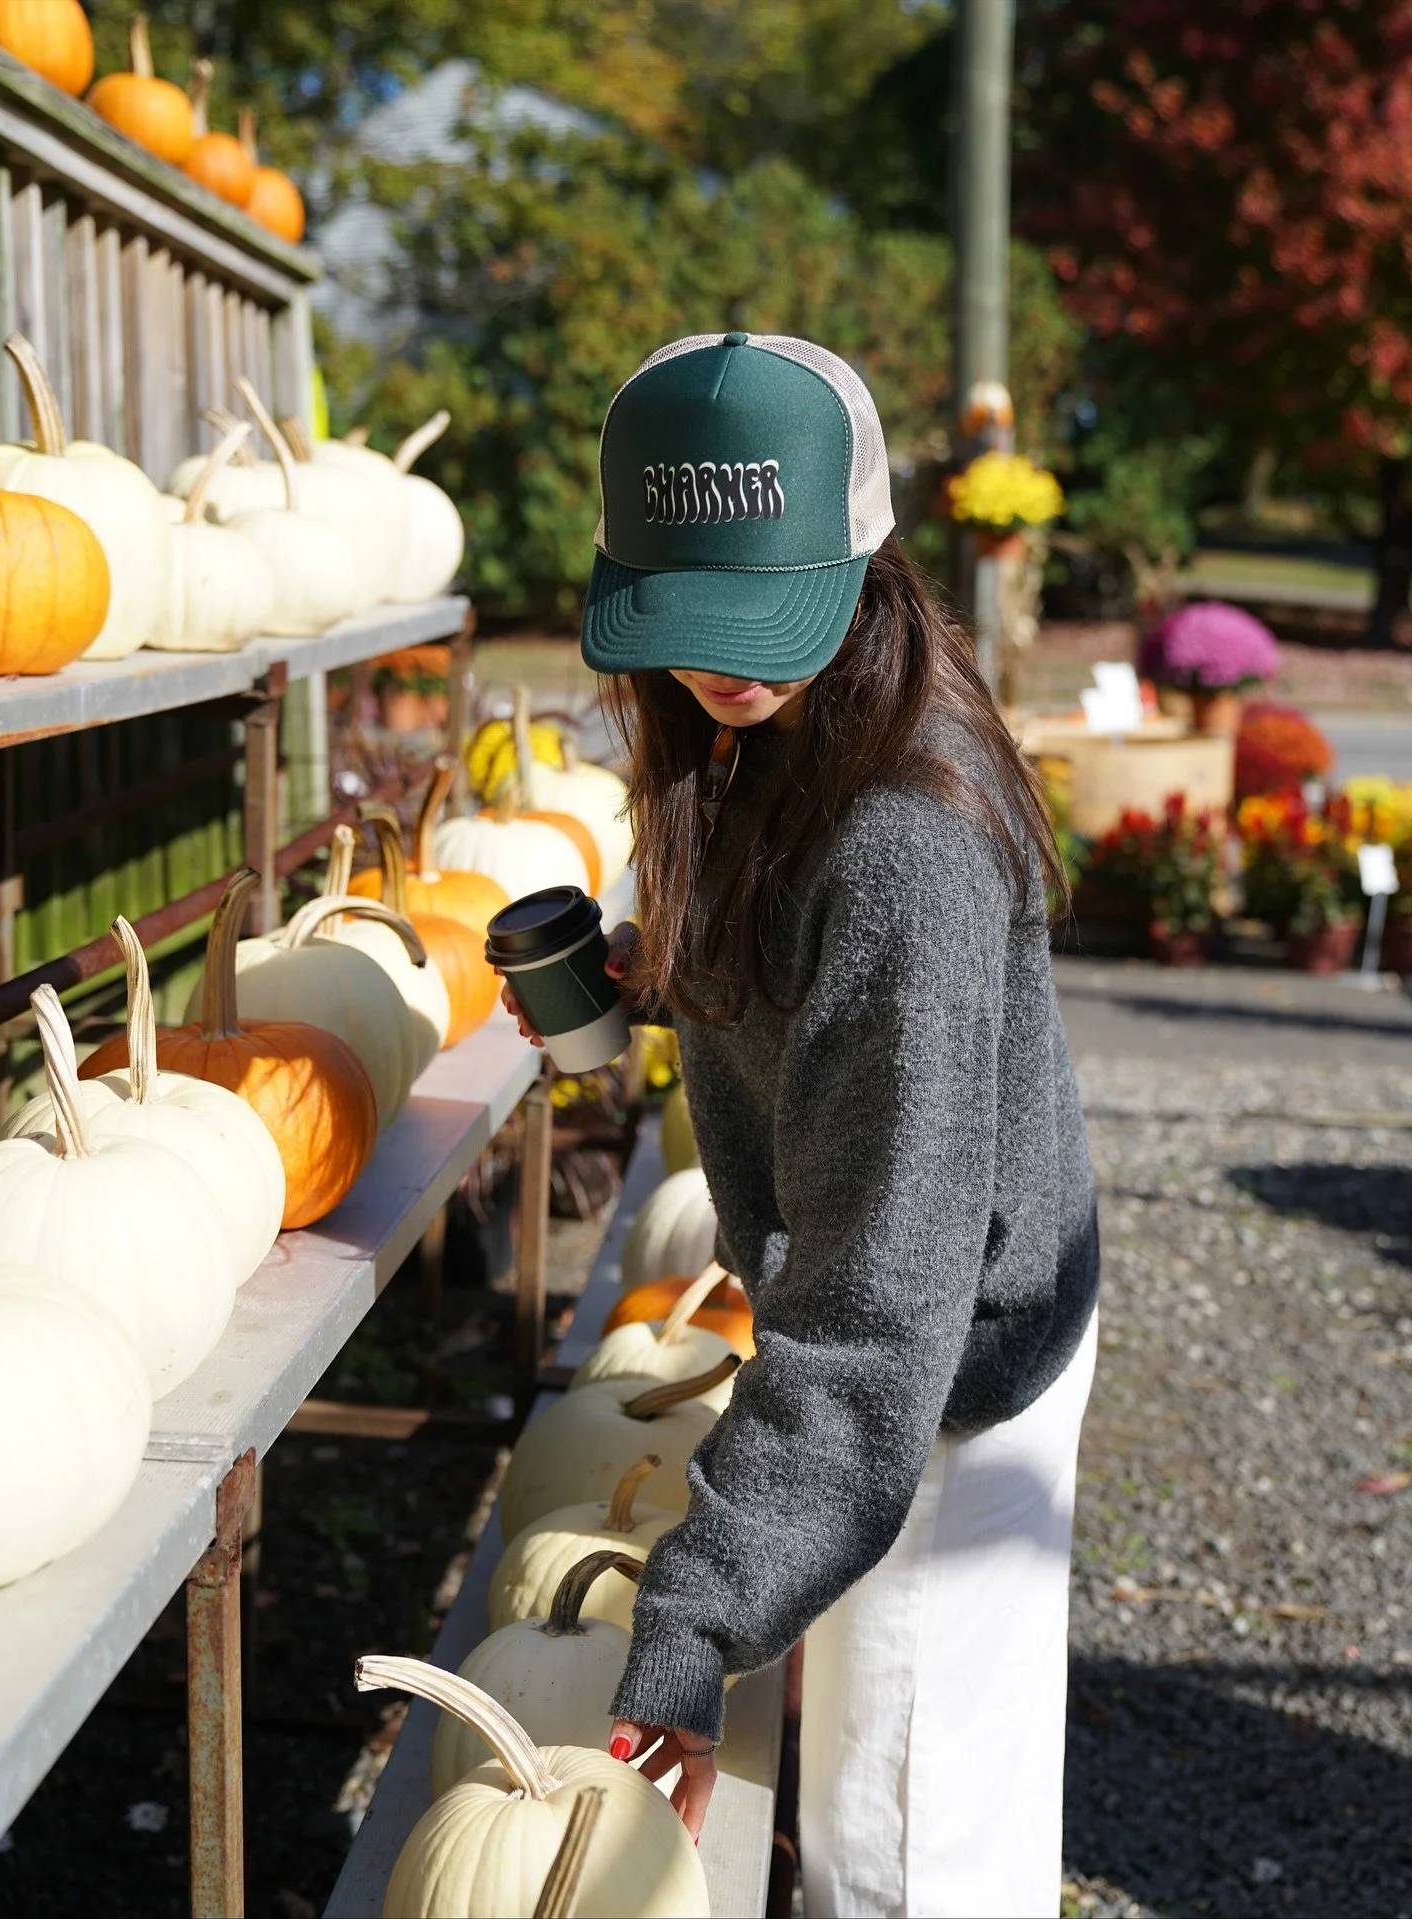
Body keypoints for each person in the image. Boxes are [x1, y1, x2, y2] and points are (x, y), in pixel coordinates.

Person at [501, 331, 1099, 1919]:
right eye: (688, 621)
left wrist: (691, 1625)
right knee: (885, 1783)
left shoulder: (909, 839)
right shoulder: (778, 732)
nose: (725, 671)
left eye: (763, 618)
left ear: (864, 556)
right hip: (899, 1299)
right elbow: (813, 959)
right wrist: (665, 976)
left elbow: (868, 1312)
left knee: (901, 1843)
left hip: (945, 1352)